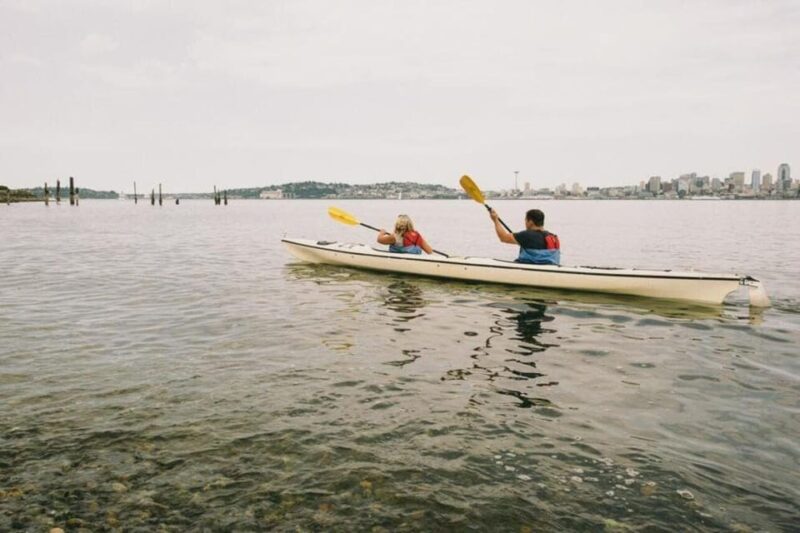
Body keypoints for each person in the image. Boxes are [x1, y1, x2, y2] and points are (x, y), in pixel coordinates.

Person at [489, 208, 560, 265]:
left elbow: (503, 237)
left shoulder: (526, 235)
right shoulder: (553, 237)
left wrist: (495, 220)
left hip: (528, 269)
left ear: (530, 222)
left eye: (526, 220)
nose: (525, 223)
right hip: (550, 268)